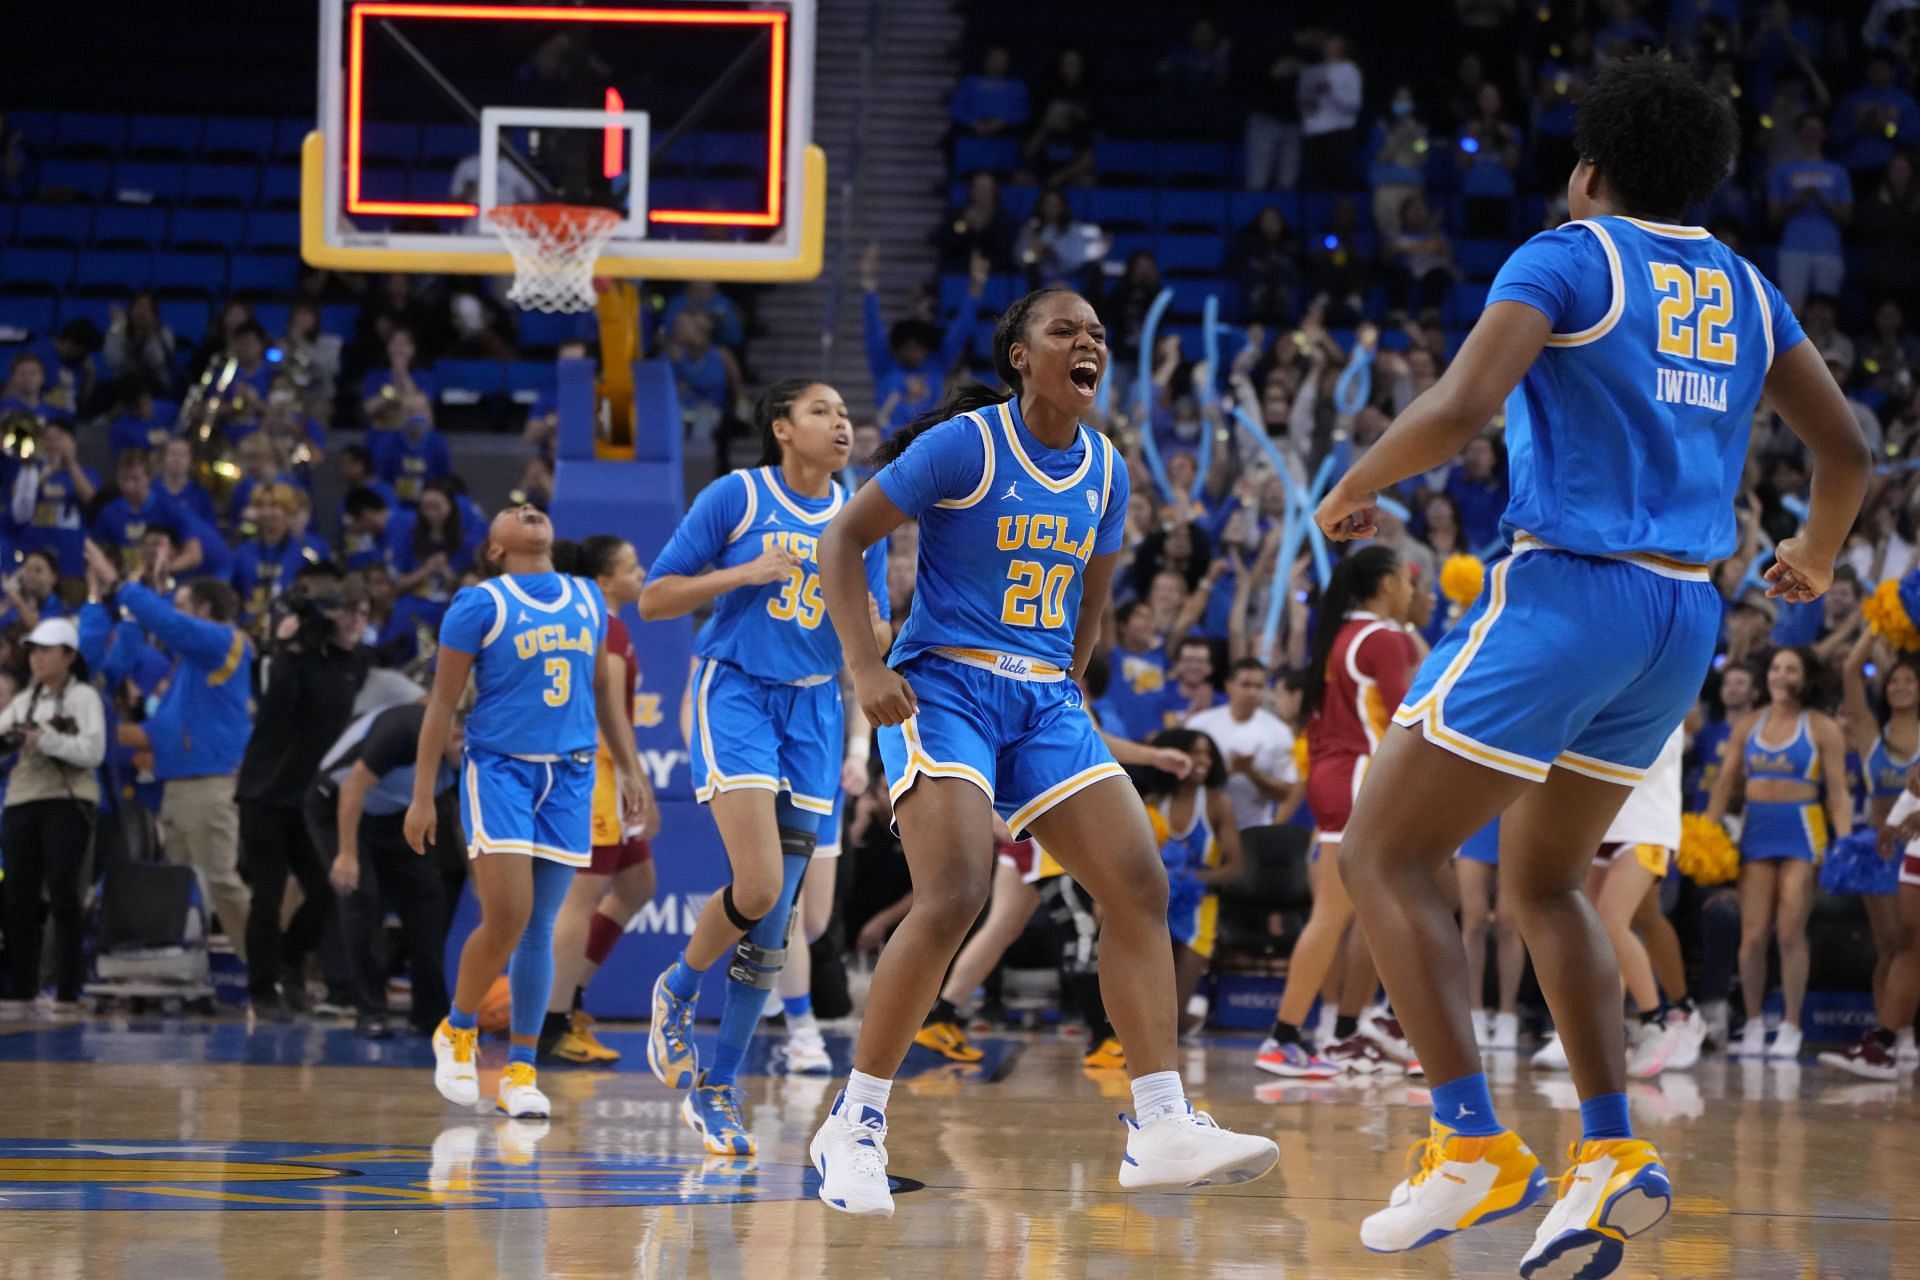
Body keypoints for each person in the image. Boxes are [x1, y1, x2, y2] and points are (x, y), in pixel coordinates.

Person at [1310, 57, 1869, 1275]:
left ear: (1588, 169)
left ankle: (1471, 1144)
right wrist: (1816, 555)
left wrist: (1357, 482)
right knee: (1549, 878)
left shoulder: (1566, 253)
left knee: (1378, 853)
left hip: (1568, 590)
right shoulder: (1746, 286)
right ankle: (1611, 1150)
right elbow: (1848, 444)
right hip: (1684, 618)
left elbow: (1460, 410)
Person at [811, 286, 1277, 1216]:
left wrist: (1064, 694)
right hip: (942, 682)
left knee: (1140, 885)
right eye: (1064, 329)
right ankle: (853, 1124)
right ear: (1020, 355)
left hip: (1044, 696)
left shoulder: (1106, 470)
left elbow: (1090, 608)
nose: (1087, 341)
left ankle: (1158, 1123)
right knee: (954, 893)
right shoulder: (966, 444)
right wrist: (865, 664)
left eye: (1098, 332)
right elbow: (842, 537)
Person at [640, 380, 890, 1155]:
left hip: (815, 709)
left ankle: (718, 1088)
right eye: (823, 411)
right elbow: (655, 598)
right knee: (758, 888)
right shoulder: (736, 498)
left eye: (845, 413)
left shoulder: (861, 520)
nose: (840, 423)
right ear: (783, 429)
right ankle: (677, 989)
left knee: (777, 927)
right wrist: (743, 575)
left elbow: (871, 633)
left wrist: (881, 630)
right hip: (739, 695)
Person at [411, 506, 646, 1121]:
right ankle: (457, 1030)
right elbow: (440, 704)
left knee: (540, 928)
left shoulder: (585, 598)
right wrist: (419, 795)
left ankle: (520, 1070)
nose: (526, 510)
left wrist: (627, 766)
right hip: (501, 771)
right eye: (511, 513)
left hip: (569, 774)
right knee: (509, 916)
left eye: (532, 508)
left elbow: (600, 691)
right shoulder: (478, 605)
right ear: (496, 549)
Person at [1254, 545, 1424, 1079]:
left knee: (1375, 911)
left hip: (1339, 776)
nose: (1416, 594)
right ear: (1389, 585)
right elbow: (1409, 717)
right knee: (1337, 912)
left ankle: (1350, 1031)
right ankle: (1284, 1037)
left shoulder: (1343, 635)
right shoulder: (1383, 639)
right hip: (1359, 778)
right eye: (1409, 583)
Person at [83, 540, 253, 964]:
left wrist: (122, 585)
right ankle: (192, 972)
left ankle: (264, 970)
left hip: (208, 785)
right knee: (185, 888)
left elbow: (169, 626)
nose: (171, 612)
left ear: (205, 611)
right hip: (177, 786)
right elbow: (160, 629)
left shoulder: (225, 643)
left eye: (180, 604)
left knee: (221, 881)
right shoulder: (189, 668)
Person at [538, 535, 661, 1065]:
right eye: (633, 566)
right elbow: (608, 708)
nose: (642, 573)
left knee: (637, 884)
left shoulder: (612, 623)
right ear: (605, 580)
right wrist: (636, 777)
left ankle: (573, 996)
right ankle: (550, 1023)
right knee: (577, 902)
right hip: (596, 779)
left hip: (607, 776)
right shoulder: (603, 626)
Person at [1704, 646, 1852, 1060]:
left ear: (1805, 678)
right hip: (1757, 832)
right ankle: (1752, 1022)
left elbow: (1838, 794)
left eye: (1791, 669)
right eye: (1775, 668)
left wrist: (1842, 845)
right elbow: (1724, 785)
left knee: (1789, 932)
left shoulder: (1821, 726)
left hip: (1802, 832)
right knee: (1752, 937)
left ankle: (1790, 1024)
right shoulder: (1749, 725)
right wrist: (1707, 832)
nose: (1781, 675)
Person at [234, 572, 372, 1016]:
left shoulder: (357, 666)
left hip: (311, 798)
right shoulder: (295, 660)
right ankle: (261, 988)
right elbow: (275, 708)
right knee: (267, 895)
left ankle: (291, 961)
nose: (356, 620)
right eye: (348, 611)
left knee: (327, 889)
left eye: (364, 613)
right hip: (266, 793)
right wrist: (284, 648)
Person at [311, 694, 464, 1039]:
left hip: (396, 816)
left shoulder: (460, 759)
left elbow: (461, 821)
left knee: (428, 903)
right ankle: (370, 1009)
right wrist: (346, 854)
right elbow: (352, 788)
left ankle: (431, 1014)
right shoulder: (405, 731)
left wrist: (480, 878)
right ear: (454, 737)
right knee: (361, 898)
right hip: (339, 807)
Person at [0, 618, 105, 1012]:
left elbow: (93, 752)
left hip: (67, 798)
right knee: (17, 897)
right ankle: (25, 987)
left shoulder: (84, 699)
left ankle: (68, 987)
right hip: (22, 800)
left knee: (64, 894)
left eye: (47, 651)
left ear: (69, 655)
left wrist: (44, 739)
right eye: (34, 651)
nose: (37, 658)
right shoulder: (24, 699)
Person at [1139, 728, 1243, 1035]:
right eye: (1196, 752)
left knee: (1174, 1019)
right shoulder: (1155, 802)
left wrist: (1192, 878)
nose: (1203, 760)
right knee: (1149, 1009)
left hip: (1199, 910)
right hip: (1157, 906)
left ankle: (1193, 1017)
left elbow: (1236, 867)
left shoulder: (1217, 803)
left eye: (1208, 754)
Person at [1838, 631, 1917, 1027]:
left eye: (1909, 680)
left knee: (1914, 947)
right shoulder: (1871, 732)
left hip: (1918, 852)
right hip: (1879, 852)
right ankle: (1888, 1035)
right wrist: (1876, 621)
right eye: (1894, 680)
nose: (1900, 687)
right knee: (1890, 945)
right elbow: (1851, 671)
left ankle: (1903, 1031)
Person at [1186, 657, 1301, 830]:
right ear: (1229, 686)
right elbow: (1182, 779)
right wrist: (1226, 771)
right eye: (1246, 685)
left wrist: (1250, 772)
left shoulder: (1279, 732)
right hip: (1203, 825)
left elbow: (1285, 793)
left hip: (1255, 828)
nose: (1252, 692)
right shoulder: (1199, 725)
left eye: (1259, 686)